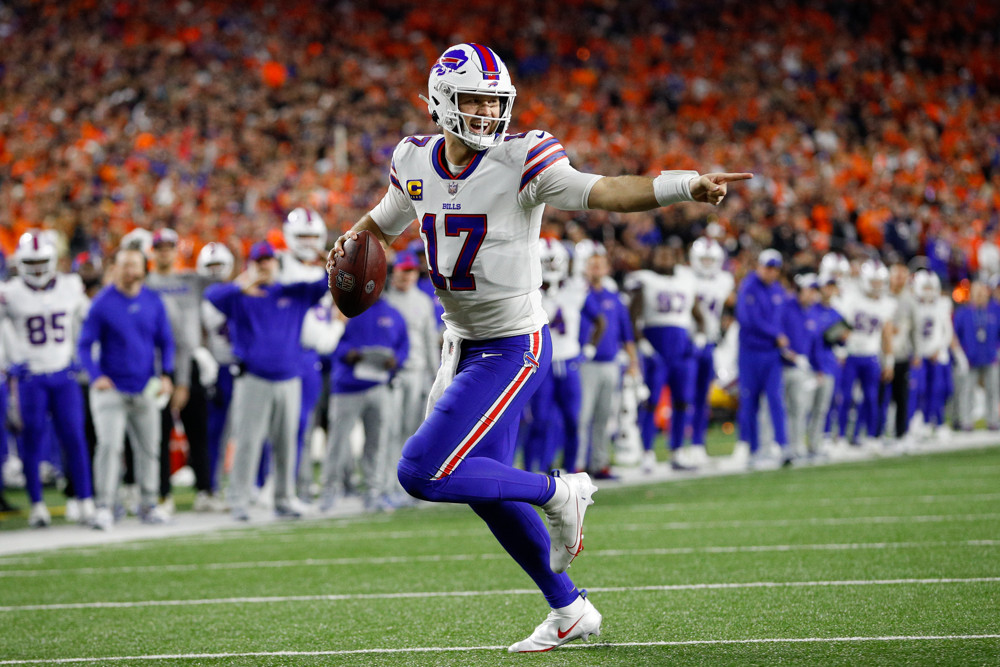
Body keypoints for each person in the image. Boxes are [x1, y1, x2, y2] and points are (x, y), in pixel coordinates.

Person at [331, 42, 751, 653]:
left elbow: (602, 190)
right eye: (474, 100)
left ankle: (560, 491)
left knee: (422, 471)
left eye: (495, 102)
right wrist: (350, 242)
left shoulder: (521, 156)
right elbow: (385, 219)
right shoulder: (412, 159)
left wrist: (683, 183)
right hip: (462, 345)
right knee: (481, 487)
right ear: (442, 102)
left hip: (511, 346)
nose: (486, 113)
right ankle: (569, 608)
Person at [203, 240, 329, 521]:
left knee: (286, 442)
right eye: (259, 261)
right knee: (248, 441)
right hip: (253, 379)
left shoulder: (292, 292)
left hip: (289, 378)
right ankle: (239, 500)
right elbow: (211, 295)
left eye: (268, 260)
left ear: (276, 262)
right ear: (251, 265)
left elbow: (326, 285)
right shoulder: (241, 296)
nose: (264, 265)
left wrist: (324, 260)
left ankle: (284, 498)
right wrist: (241, 284)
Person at [0, 230, 94, 527]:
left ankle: (85, 499)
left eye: (43, 262)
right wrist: (9, 362)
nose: (38, 269)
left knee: (75, 438)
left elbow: (87, 320)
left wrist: (81, 355)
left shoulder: (71, 285)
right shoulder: (10, 292)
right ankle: (37, 504)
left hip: (64, 374)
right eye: (32, 262)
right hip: (30, 378)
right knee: (31, 440)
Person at [78, 246, 175, 530]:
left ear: (144, 268)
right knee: (109, 446)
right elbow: (84, 345)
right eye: (125, 265)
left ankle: (149, 503)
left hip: (144, 386)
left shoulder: (153, 301)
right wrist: (96, 374)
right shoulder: (103, 303)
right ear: (116, 268)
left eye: (135, 265)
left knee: (149, 449)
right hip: (112, 388)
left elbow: (166, 341)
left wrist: (167, 374)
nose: (131, 271)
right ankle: (105, 506)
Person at [145, 228, 213, 513]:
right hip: (156, 364)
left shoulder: (191, 280)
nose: (164, 252)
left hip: (190, 360)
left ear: (176, 250)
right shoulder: (145, 283)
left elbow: (223, 277)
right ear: (152, 251)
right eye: (159, 247)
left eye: (169, 247)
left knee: (198, 431)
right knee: (157, 433)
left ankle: (205, 490)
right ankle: (163, 494)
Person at [321, 293, 408, 512]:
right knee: (337, 443)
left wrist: (395, 360)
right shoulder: (345, 307)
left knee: (377, 443)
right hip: (347, 387)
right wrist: (346, 353)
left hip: (378, 385)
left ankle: (373, 492)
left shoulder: (393, 313)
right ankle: (329, 492)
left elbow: (404, 345)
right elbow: (330, 340)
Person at [278, 208, 343, 502]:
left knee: (305, 425)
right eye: (301, 235)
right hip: (283, 354)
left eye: (312, 236)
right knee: (280, 428)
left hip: (315, 356)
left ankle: (299, 486)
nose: (307, 242)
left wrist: (335, 332)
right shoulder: (278, 265)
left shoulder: (328, 269)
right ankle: (275, 485)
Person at [628, 241, 703, 471]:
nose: (664, 259)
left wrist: (699, 338)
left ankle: (677, 450)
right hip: (656, 345)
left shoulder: (686, 281)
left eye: (668, 255)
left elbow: (698, 316)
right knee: (651, 403)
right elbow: (632, 317)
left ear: (675, 258)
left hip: (681, 349)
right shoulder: (646, 281)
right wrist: (642, 344)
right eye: (660, 255)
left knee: (682, 401)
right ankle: (647, 452)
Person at [576, 251, 639, 477]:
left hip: (611, 364)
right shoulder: (578, 294)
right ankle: (578, 464)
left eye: (599, 265)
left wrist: (633, 362)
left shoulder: (614, 298)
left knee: (604, 417)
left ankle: (599, 463)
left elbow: (627, 334)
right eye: (592, 265)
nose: (596, 269)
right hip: (585, 364)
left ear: (607, 269)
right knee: (582, 417)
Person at [383, 250, 440, 500]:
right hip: (392, 374)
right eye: (403, 270)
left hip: (417, 372)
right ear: (394, 272)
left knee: (412, 431)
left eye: (411, 271)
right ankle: (386, 483)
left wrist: (435, 374)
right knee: (390, 429)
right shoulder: (385, 300)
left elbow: (429, 342)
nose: (407, 275)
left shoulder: (424, 301)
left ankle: (404, 485)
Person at [735, 249, 792, 468]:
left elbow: (782, 321)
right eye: (768, 267)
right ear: (759, 266)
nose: (771, 272)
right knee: (750, 401)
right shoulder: (749, 287)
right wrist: (775, 335)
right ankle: (751, 448)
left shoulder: (778, 290)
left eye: (775, 268)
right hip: (751, 352)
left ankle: (782, 445)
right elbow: (748, 319)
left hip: (771, 353)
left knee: (776, 399)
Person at [834, 260, 896, 449]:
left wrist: (889, 362)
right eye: (873, 281)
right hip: (851, 354)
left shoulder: (887, 303)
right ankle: (842, 437)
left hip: (870, 355)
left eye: (879, 282)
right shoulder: (852, 297)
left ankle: (871, 436)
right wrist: (840, 352)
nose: (877, 285)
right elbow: (840, 327)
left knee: (871, 397)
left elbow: (886, 334)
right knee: (845, 397)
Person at [688, 237, 734, 464]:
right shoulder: (684, 277)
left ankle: (697, 444)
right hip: (687, 342)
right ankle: (679, 446)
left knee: (702, 398)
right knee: (683, 397)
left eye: (710, 259)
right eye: (703, 259)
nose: (706, 263)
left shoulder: (725, 280)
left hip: (710, 343)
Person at [953, 280, 1000, 430]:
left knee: (993, 390)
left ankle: (993, 420)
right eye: (977, 292)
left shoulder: (995, 311)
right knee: (967, 390)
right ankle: (966, 421)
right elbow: (954, 334)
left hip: (990, 357)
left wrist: (997, 350)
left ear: (987, 294)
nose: (980, 295)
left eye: (982, 292)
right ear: (971, 294)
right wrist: (961, 355)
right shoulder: (963, 313)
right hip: (970, 358)